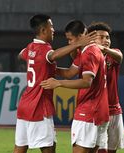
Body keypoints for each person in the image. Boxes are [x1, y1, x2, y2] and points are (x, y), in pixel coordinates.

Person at [14, 14, 96, 153]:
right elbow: (53, 55)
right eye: (51, 26)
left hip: (25, 105)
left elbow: (20, 54)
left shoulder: (30, 48)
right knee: (49, 148)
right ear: (44, 30)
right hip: (39, 106)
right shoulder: (45, 49)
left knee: (20, 147)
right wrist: (77, 44)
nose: (53, 29)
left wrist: (42, 67)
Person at [40, 20, 109, 153]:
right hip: (100, 112)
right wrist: (49, 68)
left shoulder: (89, 53)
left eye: (70, 39)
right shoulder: (87, 51)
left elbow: (86, 82)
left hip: (88, 112)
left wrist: (58, 83)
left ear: (82, 36)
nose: (70, 43)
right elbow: (69, 73)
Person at [87, 22, 124, 153]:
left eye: (107, 37)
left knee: (112, 149)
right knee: (98, 148)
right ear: (92, 39)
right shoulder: (88, 56)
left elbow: (120, 57)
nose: (106, 40)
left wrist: (102, 48)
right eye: (101, 37)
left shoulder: (113, 53)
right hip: (97, 110)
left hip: (114, 110)